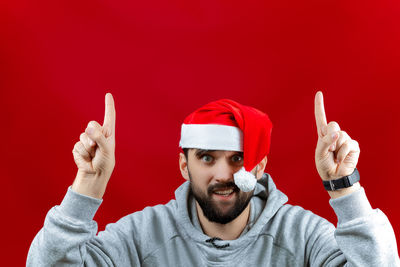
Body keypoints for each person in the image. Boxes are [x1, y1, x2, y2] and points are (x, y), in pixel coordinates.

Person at [27, 92, 399, 266]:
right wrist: (87, 186)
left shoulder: (300, 237)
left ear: (259, 168)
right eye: (207, 158)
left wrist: (344, 187)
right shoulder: (143, 237)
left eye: (238, 159)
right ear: (184, 165)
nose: (223, 174)